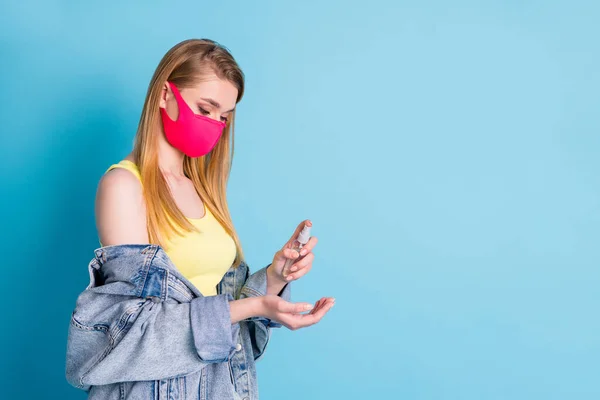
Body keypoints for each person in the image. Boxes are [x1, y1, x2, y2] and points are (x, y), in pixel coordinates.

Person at [65, 38, 334, 400]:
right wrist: (254, 306)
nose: (214, 125)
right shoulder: (124, 187)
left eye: (224, 117)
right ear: (165, 95)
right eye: (205, 109)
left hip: (219, 386)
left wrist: (273, 278)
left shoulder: (201, 189)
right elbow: (133, 333)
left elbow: (214, 297)